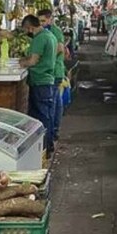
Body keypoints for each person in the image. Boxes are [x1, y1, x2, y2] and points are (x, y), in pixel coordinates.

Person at [19, 15, 58, 152]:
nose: (26, 32)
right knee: (46, 114)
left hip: (40, 80)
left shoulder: (39, 38)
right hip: (47, 79)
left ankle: (45, 148)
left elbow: (33, 61)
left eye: (26, 29)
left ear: (30, 27)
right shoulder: (49, 35)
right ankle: (48, 145)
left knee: (42, 116)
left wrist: (21, 63)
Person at [38, 9, 67, 144]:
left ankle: (53, 131)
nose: (41, 23)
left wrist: (44, 58)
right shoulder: (44, 32)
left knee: (53, 103)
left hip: (54, 72)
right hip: (52, 72)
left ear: (50, 19)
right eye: (39, 21)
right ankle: (54, 130)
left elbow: (60, 48)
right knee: (55, 101)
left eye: (43, 21)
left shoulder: (54, 31)